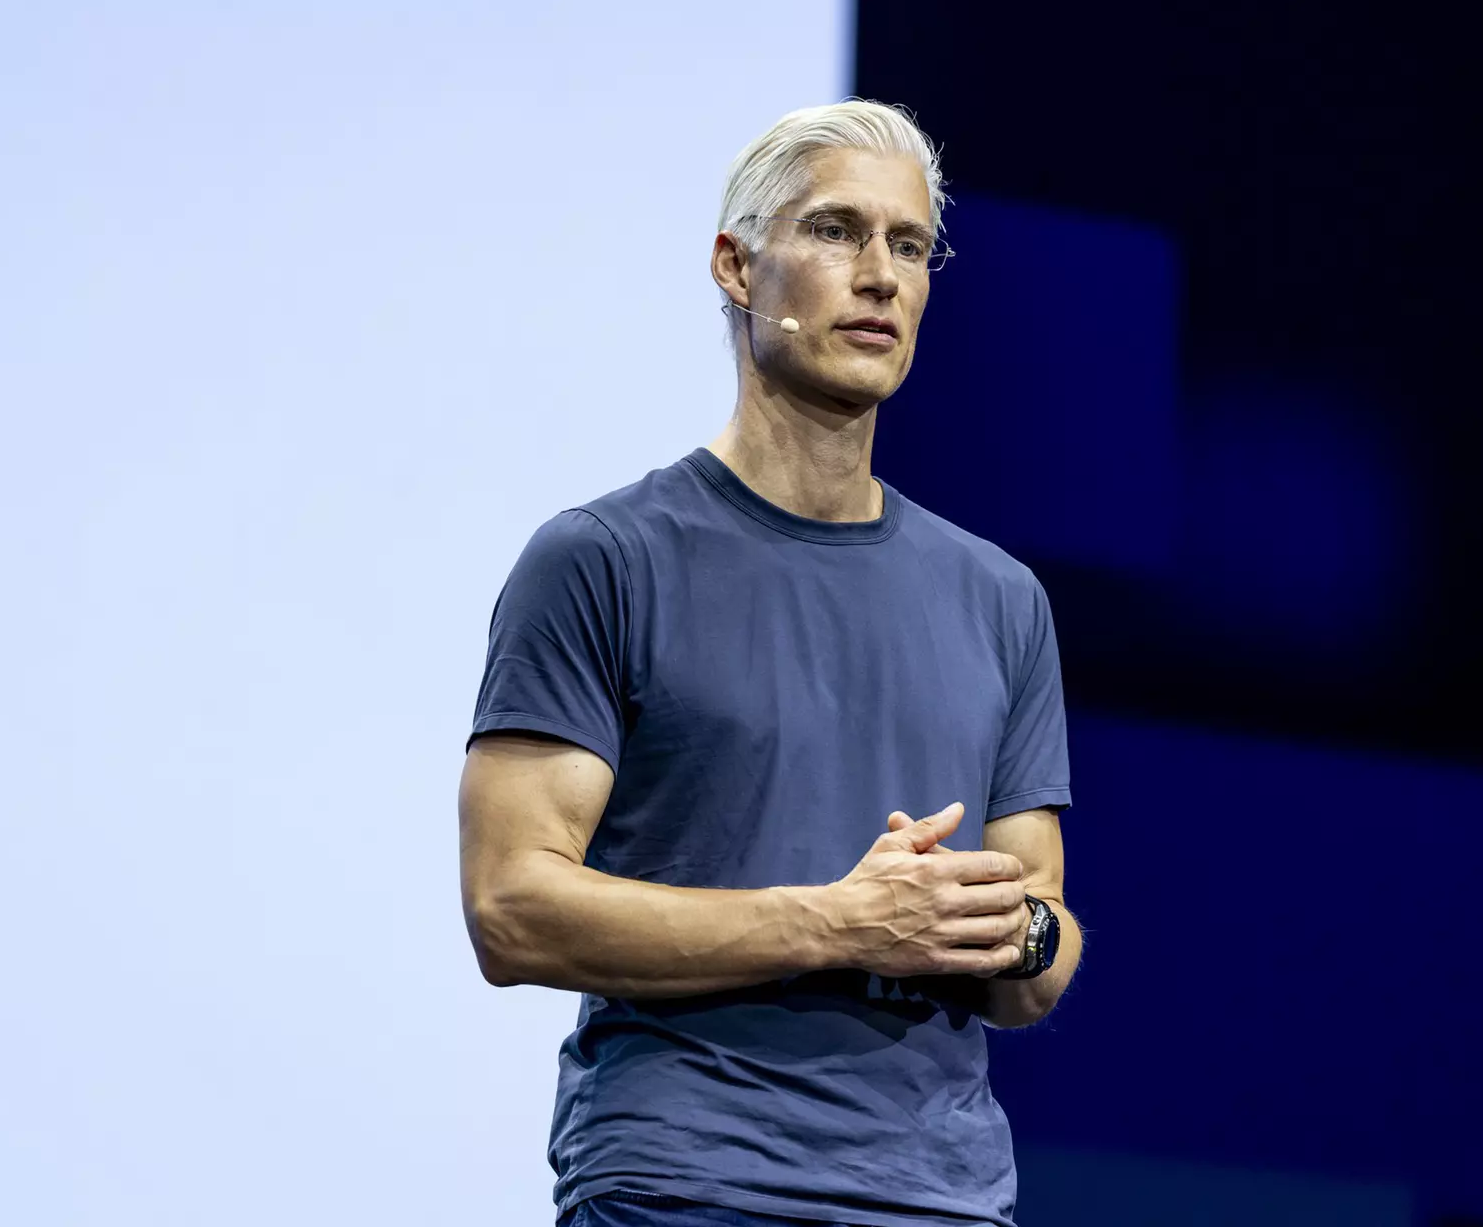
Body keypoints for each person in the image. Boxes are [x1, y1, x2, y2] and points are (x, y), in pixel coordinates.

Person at [459, 100, 1082, 1227]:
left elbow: (1037, 952)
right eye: (838, 232)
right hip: (687, 1187)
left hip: (941, 1204)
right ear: (736, 267)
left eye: (907, 244)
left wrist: (1010, 926)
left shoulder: (1000, 598)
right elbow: (512, 907)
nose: (880, 275)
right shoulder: (604, 560)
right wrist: (840, 921)